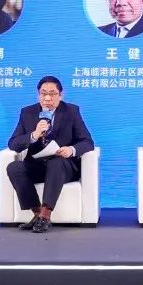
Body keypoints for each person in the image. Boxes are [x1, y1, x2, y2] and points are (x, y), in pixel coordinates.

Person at [6, 76, 94, 233]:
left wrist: (71, 150)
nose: (47, 98)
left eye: (52, 94)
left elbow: (87, 142)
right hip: (37, 165)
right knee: (14, 167)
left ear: (60, 95)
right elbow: (13, 143)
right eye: (43, 93)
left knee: (56, 162)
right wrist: (34, 135)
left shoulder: (71, 111)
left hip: (63, 166)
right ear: (38, 95)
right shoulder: (27, 112)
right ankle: (38, 214)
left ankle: (45, 215)